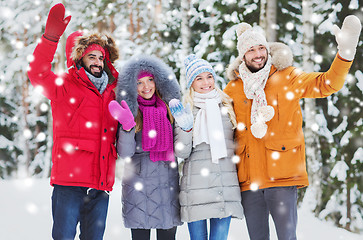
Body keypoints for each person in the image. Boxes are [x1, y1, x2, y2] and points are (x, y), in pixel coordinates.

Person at [223, 16, 361, 240]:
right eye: (251, 50)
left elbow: (327, 84)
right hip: (249, 181)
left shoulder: (287, 77)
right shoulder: (233, 89)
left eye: (261, 47)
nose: (258, 54)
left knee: (287, 237)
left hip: (282, 176)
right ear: (242, 55)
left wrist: (344, 54)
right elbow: (223, 129)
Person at [27, 3, 121, 240]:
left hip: (100, 185)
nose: (98, 62)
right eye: (92, 56)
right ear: (80, 58)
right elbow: (37, 74)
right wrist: (50, 39)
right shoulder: (65, 85)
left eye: (101, 57)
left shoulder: (114, 92)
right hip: (69, 183)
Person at [168, 54, 244, 240]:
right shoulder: (186, 110)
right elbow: (182, 152)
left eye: (209, 76)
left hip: (223, 187)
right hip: (196, 190)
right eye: (198, 78)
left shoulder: (227, 106)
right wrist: (185, 128)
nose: (205, 82)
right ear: (191, 84)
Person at [108, 55, 182, 240]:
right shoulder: (130, 112)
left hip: (167, 187)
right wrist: (127, 127)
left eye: (150, 80)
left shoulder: (169, 110)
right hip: (139, 189)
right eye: (139, 82)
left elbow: (180, 147)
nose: (146, 86)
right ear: (132, 86)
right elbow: (125, 153)